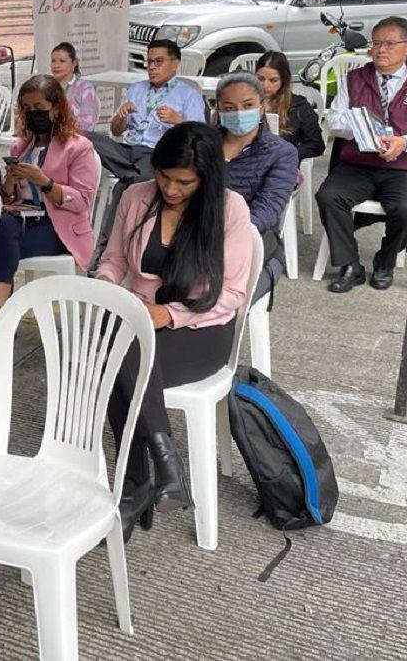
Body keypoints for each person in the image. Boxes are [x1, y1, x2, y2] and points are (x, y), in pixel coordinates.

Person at [95, 122, 254, 540]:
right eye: (163, 176)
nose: (170, 188)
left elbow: (233, 293)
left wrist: (169, 315)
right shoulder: (135, 196)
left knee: (120, 356)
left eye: (184, 181)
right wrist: (106, 285)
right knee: (121, 341)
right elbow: (113, 259)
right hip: (143, 322)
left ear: (206, 177)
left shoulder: (229, 208)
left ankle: (137, 482)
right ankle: (161, 465)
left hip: (202, 329)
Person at [317, 16, 407, 293]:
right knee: (329, 196)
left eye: (390, 44)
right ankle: (350, 265)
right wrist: (361, 129)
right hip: (359, 163)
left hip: (404, 165)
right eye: (376, 43)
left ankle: (386, 259)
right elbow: (334, 120)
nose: (381, 50)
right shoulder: (355, 78)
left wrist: (403, 142)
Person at [87, 40, 208, 264]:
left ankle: (104, 254)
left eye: (159, 62)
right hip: (127, 150)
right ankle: (130, 175)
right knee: (85, 139)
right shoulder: (136, 89)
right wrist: (120, 117)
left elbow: (200, 136)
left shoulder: (188, 94)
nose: (152, 67)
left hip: (157, 153)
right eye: (149, 62)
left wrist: (178, 120)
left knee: (128, 185)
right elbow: (115, 131)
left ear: (175, 64)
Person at [0, 74, 99, 309]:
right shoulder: (21, 146)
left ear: (56, 109)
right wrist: (9, 183)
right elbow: (10, 198)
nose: (32, 114)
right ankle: (3, 311)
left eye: (39, 107)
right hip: (25, 220)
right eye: (27, 108)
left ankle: (3, 312)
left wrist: (45, 183)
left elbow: (82, 202)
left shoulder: (78, 147)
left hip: (60, 228)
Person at [216, 72, 298, 299]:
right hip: (196, 232)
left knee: (220, 298)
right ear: (219, 110)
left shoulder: (281, 153)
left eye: (248, 105)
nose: (239, 113)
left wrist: (223, 233)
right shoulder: (203, 143)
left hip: (251, 239)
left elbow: (268, 210)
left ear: (262, 107)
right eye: (229, 108)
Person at [255, 51, 325, 161]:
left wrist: (287, 153)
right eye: (260, 79)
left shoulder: (298, 106)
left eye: (273, 80)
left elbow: (316, 145)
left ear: (283, 80)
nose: (265, 85)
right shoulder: (245, 103)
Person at [48, 41, 99, 132]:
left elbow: (88, 123)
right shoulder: (47, 87)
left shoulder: (85, 88)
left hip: (76, 139)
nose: (56, 65)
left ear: (74, 63)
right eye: (53, 61)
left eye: (62, 61)